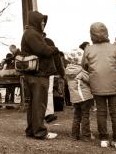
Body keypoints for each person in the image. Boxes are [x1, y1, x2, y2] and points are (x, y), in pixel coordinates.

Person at [82, 22, 116, 150]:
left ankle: (103, 139)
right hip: (113, 84)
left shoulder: (88, 49)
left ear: (91, 34)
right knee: (115, 112)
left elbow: (84, 66)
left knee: (101, 112)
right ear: (106, 32)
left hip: (97, 85)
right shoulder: (115, 48)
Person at [20, 10, 59, 139]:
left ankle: (32, 130)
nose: (43, 23)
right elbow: (43, 50)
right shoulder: (32, 33)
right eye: (42, 21)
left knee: (34, 103)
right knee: (39, 103)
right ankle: (40, 132)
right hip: (38, 74)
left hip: (34, 74)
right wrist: (54, 49)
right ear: (36, 21)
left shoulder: (30, 33)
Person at [65, 48, 93, 141]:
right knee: (85, 116)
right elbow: (90, 80)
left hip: (74, 98)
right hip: (85, 97)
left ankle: (74, 135)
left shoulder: (68, 71)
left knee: (76, 116)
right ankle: (86, 136)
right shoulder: (81, 70)